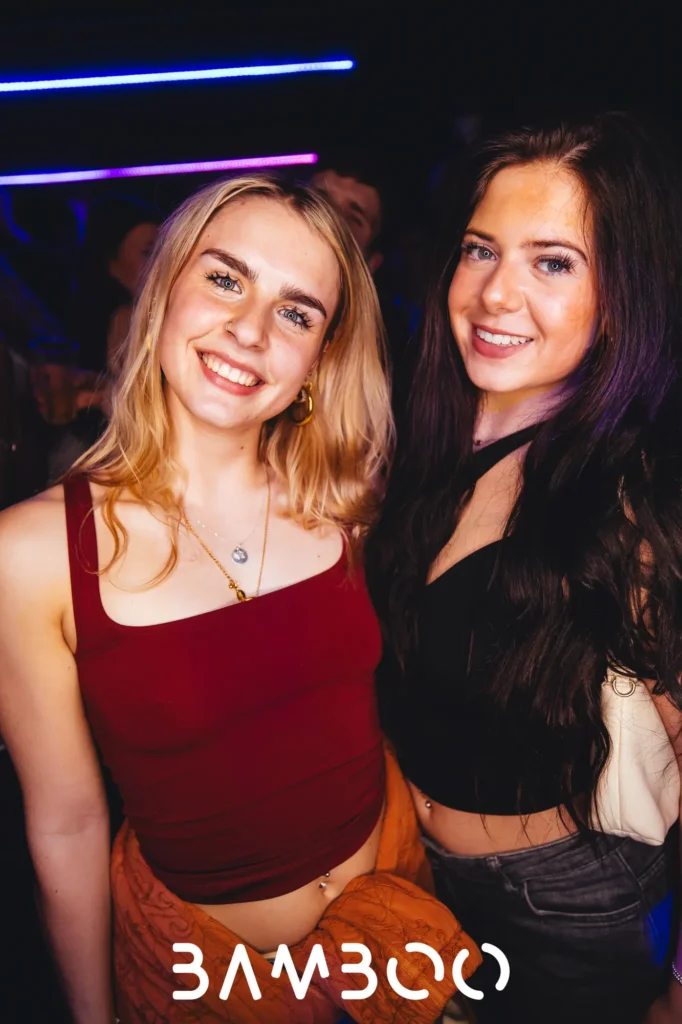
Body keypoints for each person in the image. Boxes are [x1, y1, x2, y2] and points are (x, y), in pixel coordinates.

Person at [0, 175, 478, 1024]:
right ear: (162, 291)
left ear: (318, 358)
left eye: (296, 312)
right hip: (213, 979)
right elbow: (66, 823)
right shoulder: (31, 554)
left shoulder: (346, 502)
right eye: (226, 278)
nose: (250, 331)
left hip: (392, 907)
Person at [368, 113, 682, 1024]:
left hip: (565, 906)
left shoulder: (636, 499)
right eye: (480, 250)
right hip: (422, 876)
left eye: (553, 262)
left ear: (621, 295)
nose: (496, 293)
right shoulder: (426, 446)